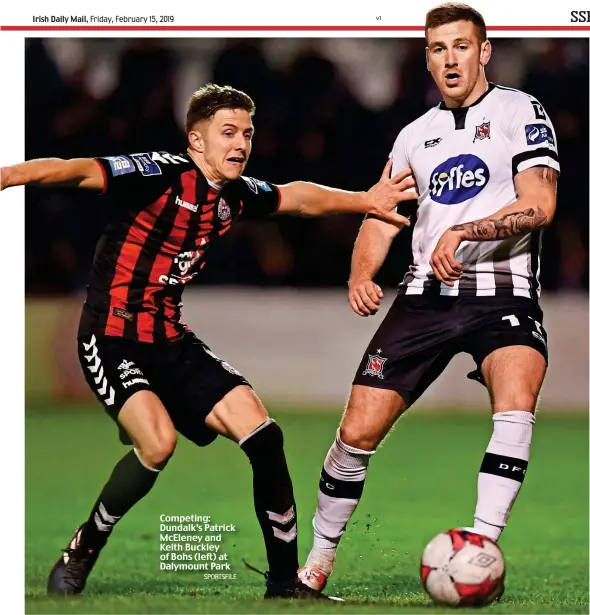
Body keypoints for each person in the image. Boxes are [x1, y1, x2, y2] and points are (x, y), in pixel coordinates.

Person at [1, 83, 416, 599]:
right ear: (196, 141)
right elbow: (77, 168)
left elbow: (297, 198)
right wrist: (8, 175)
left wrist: (364, 202)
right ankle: (84, 546)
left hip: (171, 340)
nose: (241, 142)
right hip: (111, 337)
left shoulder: (234, 195)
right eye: (228, 132)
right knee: (157, 445)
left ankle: (286, 586)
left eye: (247, 132)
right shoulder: (160, 173)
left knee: (265, 436)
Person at [298, 2, 559, 594]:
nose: (450, 59)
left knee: (515, 401)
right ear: (426, 57)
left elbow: (539, 205)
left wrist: (465, 231)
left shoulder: (520, 111)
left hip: (504, 291)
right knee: (355, 435)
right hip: (425, 297)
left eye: (462, 46)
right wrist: (362, 272)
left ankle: (481, 547)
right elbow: (382, 213)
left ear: (484, 50)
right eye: (438, 49)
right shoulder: (416, 135)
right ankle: (315, 565)